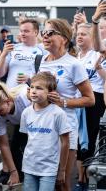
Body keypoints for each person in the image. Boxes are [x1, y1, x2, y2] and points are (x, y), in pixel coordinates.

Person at [37, 18, 95, 191]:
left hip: (64, 129)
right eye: (43, 33)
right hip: (43, 128)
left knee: (62, 183)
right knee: (45, 179)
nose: (45, 37)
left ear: (64, 38)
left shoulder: (74, 64)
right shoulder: (42, 60)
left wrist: (64, 101)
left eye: (50, 33)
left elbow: (90, 99)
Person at [20, 72, 71, 191]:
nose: (33, 91)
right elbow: (27, 139)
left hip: (49, 169)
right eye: (32, 87)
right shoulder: (26, 113)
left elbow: (65, 143)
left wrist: (62, 170)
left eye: (39, 88)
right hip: (29, 167)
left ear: (51, 92)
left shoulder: (58, 113)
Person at [74, 23, 106, 191]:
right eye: (78, 34)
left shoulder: (98, 54)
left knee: (92, 139)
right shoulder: (76, 56)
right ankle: (80, 179)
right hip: (78, 102)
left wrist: (99, 68)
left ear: (92, 37)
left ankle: (90, 180)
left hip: (96, 100)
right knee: (79, 140)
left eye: (84, 34)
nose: (80, 36)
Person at [0, 82, 30, 188]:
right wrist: (13, 172)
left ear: (8, 101)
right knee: (14, 150)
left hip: (39, 121)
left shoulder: (24, 97)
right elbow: (4, 145)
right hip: (20, 124)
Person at [0, 19, 45, 88]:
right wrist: (3, 54)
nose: (22, 34)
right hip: (11, 95)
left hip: (31, 96)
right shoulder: (13, 48)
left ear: (36, 32)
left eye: (26, 31)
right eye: (21, 31)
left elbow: (46, 77)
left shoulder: (43, 50)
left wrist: (30, 79)